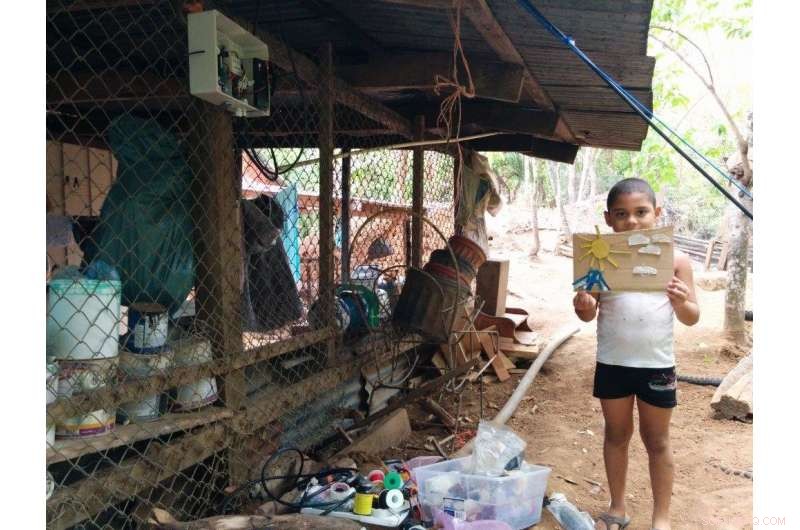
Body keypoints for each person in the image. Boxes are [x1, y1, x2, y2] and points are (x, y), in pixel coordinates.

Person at [572, 178, 700, 530]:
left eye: (641, 212)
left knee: (657, 440)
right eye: (621, 214)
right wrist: (584, 304)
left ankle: (662, 518)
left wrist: (681, 301)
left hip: (657, 365)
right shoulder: (599, 257)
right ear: (608, 218)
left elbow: (692, 316)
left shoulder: (676, 261)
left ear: (657, 213)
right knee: (616, 435)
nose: (631, 221)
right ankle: (617, 507)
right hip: (612, 363)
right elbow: (587, 312)